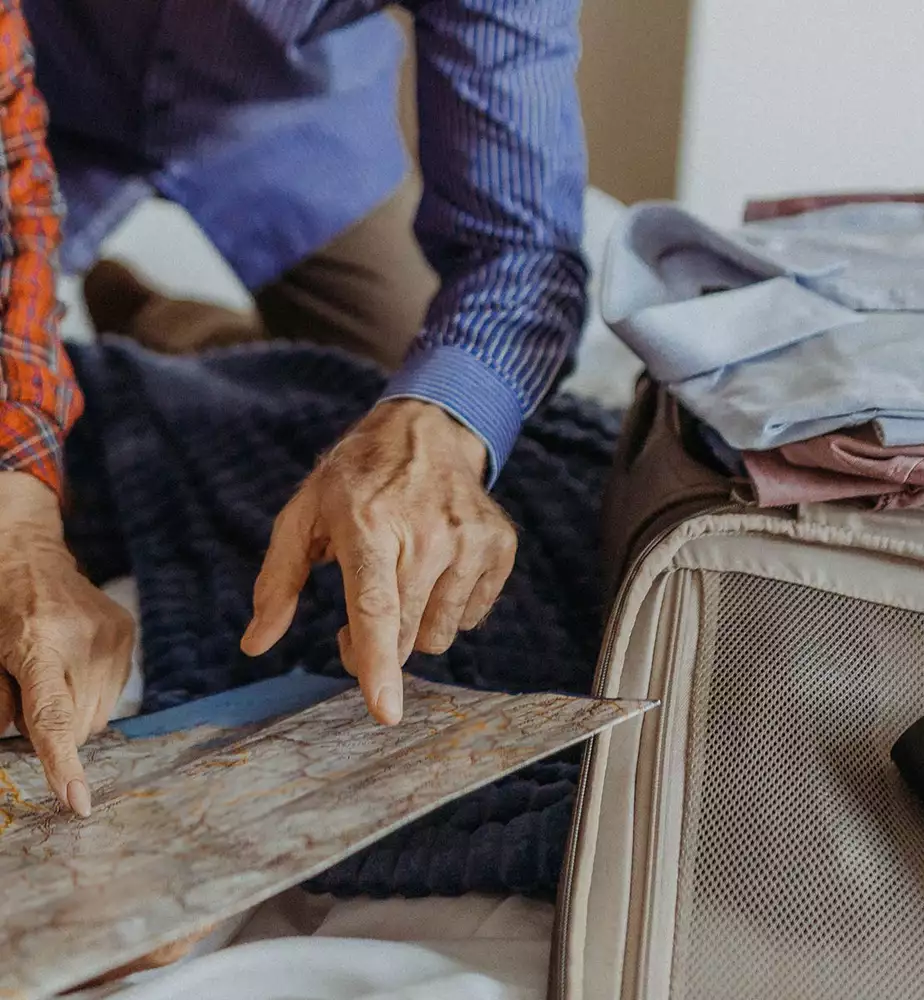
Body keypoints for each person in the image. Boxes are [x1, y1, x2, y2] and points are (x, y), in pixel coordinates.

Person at [2, 0, 589, 816]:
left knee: (402, 387)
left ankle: (173, 327)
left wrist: (434, 425)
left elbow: (521, 247)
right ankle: (159, 342)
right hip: (42, 87)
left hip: (284, 122)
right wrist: (17, 531)